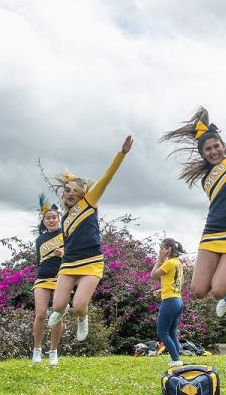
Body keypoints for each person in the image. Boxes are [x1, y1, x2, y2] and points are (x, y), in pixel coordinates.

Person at [161, 74, 226, 300]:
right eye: (208, 150)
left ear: (223, 145)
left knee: (219, 291)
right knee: (198, 292)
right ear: (203, 154)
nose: (213, 151)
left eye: (216, 146)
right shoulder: (205, 178)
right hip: (212, 232)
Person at [46, 135, 134, 340]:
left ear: (82, 193)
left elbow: (106, 177)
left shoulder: (89, 202)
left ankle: (82, 318)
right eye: (67, 191)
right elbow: (71, 241)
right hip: (69, 263)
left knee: (78, 305)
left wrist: (121, 154)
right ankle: (63, 310)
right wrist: (63, 252)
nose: (70, 194)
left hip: (92, 262)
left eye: (75, 191)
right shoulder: (65, 218)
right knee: (58, 306)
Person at [32, 196, 64, 365]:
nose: (51, 220)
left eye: (54, 217)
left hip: (62, 278)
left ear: (59, 219)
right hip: (42, 278)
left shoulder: (67, 234)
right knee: (41, 314)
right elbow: (39, 261)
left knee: (57, 315)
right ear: (44, 221)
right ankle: (36, 349)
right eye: (48, 218)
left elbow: (75, 257)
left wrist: (63, 254)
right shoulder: (39, 240)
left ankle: (53, 351)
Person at [150, 238, 186, 367]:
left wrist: (159, 260)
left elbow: (153, 275)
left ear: (168, 250)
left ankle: (176, 360)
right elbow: (180, 281)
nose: (160, 251)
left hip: (170, 301)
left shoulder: (169, 263)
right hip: (178, 300)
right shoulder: (178, 263)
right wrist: (163, 289)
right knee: (171, 332)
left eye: (162, 248)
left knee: (162, 332)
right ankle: (177, 359)